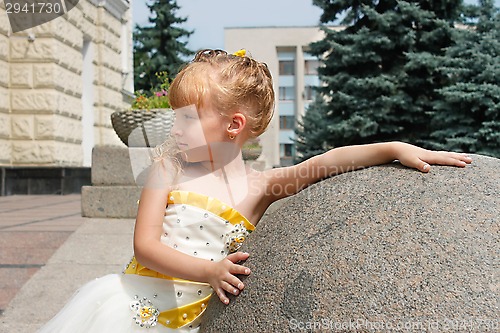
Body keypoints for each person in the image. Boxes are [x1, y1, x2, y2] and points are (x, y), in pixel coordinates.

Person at [38, 49, 472, 332]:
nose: (174, 127)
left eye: (187, 118)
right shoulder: (167, 168)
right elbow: (146, 245)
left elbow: (324, 162)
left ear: (234, 125)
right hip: (134, 309)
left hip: (199, 319)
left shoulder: (261, 186)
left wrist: (392, 147)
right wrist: (210, 271)